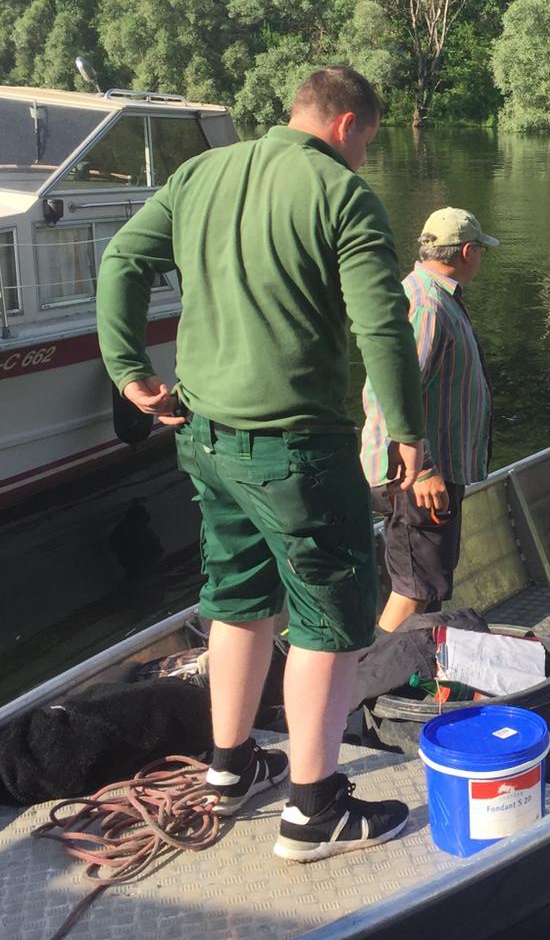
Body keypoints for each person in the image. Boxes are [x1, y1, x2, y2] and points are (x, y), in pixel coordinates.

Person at [97, 65, 424, 864]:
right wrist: (409, 431)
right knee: (327, 617)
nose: (364, 156)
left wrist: (129, 370)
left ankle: (230, 769)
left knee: (236, 598)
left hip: (205, 440)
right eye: (369, 141)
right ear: (348, 125)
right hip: (298, 450)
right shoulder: (342, 196)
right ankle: (313, 811)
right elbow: (383, 324)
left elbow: (121, 264)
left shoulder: (200, 173)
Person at [360, 207, 496, 632]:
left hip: (430, 473)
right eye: (481, 251)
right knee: (414, 588)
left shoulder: (433, 294)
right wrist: (426, 470)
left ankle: (410, 672)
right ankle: (371, 680)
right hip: (418, 478)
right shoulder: (427, 304)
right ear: (469, 251)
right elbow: (395, 391)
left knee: (429, 582)